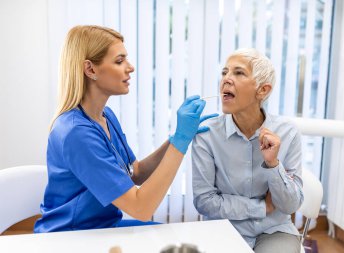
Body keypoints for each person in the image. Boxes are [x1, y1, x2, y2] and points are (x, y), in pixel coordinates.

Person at [34, 25, 216, 233]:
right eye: (120, 61)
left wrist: (176, 138)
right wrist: (181, 143)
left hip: (102, 227)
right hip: (71, 235)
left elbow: (135, 172)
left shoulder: (105, 116)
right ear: (90, 69)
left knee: (166, 235)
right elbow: (141, 208)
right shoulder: (76, 133)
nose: (130, 67)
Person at [191, 48, 303, 252]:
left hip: (274, 230)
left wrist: (273, 164)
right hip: (222, 228)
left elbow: (290, 206)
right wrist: (263, 207)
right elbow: (204, 201)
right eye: (224, 72)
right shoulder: (205, 135)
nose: (226, 79)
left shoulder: (289, 133)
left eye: (238, 73)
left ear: (263, 90)